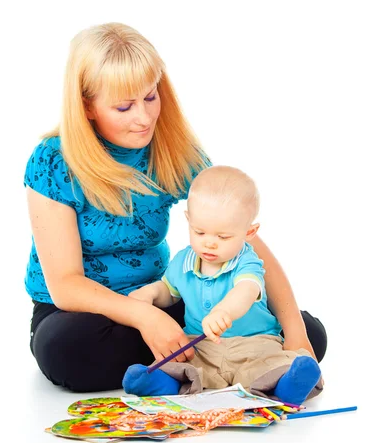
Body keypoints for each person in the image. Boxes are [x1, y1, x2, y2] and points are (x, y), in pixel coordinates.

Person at [24, 22, 327, 393]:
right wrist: (145, 318)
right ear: (86, 106)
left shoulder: (171, 149)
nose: (144, 117)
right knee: (66, 350)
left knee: (311, 331)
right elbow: (66, 285)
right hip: (82, 315)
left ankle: (182, 365)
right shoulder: (53, 161)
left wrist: (297, 336)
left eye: (150, 97)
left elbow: (242, 240)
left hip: (165, 297)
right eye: (124, 106)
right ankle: (223, 360)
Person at [123, 166, 324, 405]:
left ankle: (289, 386)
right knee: (181, 364)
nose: (209, 243)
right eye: (199, 232)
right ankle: (158, 382)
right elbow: (170, 291)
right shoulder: (183, 260)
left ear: (249, 232)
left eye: (223, 237)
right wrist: (151, 293)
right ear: (188, 220)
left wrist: (224, 311)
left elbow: (247, 290)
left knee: (273, 364)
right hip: (202, 345)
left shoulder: (247, 261)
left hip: (253, 344)